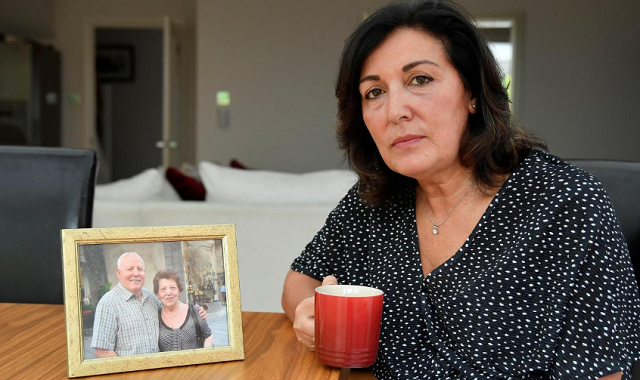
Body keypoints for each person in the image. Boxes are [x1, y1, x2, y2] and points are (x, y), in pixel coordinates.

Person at [281, 1, 640, 379]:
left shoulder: (564, 202)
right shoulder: (375, 198)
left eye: (420, 80)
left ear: (472, 92)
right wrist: (310, 313)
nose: (395, 111)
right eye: (374, 92)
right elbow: (300, 279)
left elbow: (602, 372)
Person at [91, 252, 206, 357]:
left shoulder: (151, 297)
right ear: (119, 273)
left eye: (140, 269)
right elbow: (103, 351)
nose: (136, 273)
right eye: (130, 269)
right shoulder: (108, 303)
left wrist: (194, 313)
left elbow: (170, 313)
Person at [153, 270, 213, 351]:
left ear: (179, 291)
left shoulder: (194, 311)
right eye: (163, 289)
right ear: (158, 294)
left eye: (173, 288)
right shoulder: (155, 316)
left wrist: (205, 354)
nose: (168, 292)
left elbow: (208, 335)